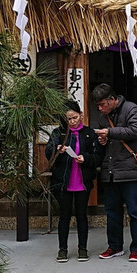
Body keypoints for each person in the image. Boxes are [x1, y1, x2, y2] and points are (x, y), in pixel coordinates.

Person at [91, 83, 137, 262]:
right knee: (112, 212)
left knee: (134, 212)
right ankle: (114, 246)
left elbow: (136, 130)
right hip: (111, 170)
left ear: (112, 99)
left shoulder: (132, 109)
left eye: (102, 104)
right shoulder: (102, 117)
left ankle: (136, 248)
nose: (100, 108)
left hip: (130, 169)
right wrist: (102, 140)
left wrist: (110, 132)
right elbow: (105, 144)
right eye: (97, 105)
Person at [45, 101, 101, 262]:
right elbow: (48, 153)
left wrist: (87, 158)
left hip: (83, 180)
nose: (72, 121)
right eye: (68, 119)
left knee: (82, 216)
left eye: (75, 117)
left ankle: (82, 249)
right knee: (64, 216)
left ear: (81, 114)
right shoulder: (58, 133)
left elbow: (98, 157)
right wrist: (56, 150)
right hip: (63, 180)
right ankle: (62, 250)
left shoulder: (89, 133)